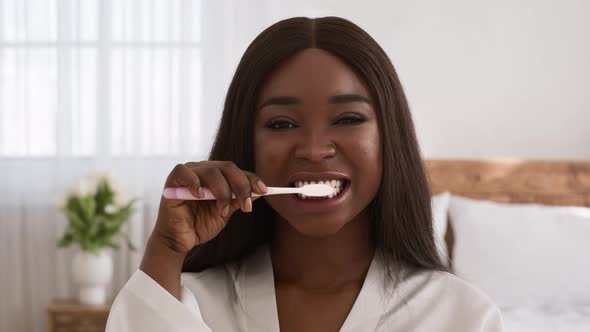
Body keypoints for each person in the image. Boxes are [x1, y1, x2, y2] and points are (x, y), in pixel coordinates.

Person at [106, 16, 503, 332]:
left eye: (348, 118)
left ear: (389, 140)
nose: (314, 149)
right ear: (246, 143)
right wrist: (166, 249)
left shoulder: (461, 317)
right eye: (281, 124)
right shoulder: (187, 305)